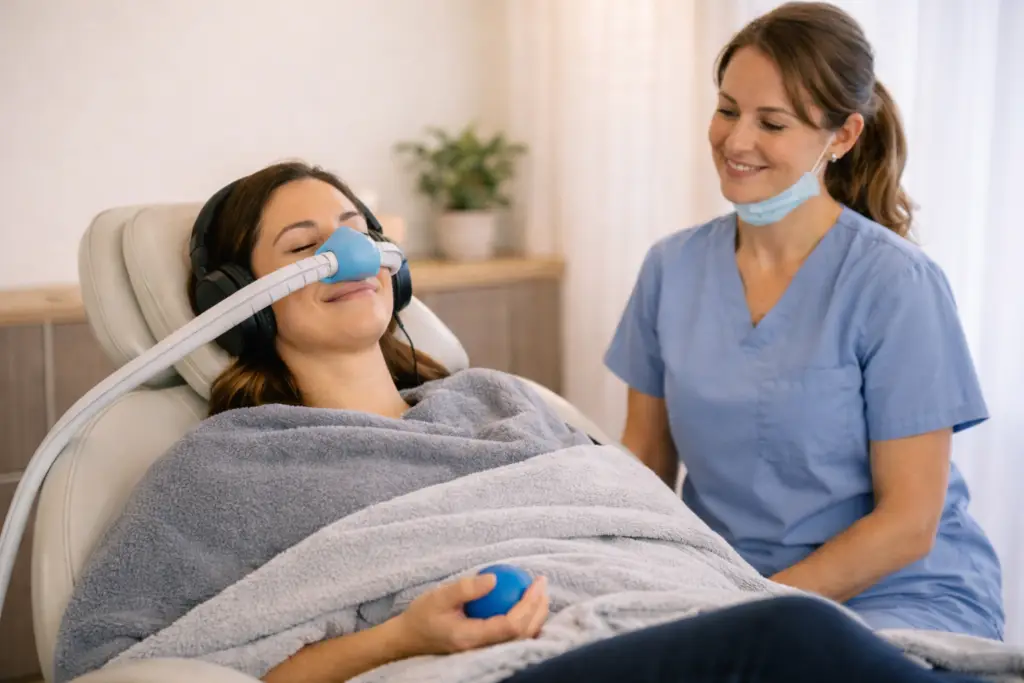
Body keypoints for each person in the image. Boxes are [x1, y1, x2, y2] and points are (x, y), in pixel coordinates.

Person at [54, 158, 997, 683]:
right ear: (245, 299)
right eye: (307, 245)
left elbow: (649, 529)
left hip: (648, 628)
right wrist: (400, 638)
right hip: (505, 671)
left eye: (357, 229)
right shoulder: (226, 465)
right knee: (799, 644)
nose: (348, 252)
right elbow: (109, 660)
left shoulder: (497, 401)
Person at [604, 1, 1004, 641]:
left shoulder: (894, 283)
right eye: (728, 109)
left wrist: (756, 606)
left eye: (773, 122)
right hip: (725, 587)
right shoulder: (670, 268)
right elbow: (646, 459)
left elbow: (908, 522)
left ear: (842, 136)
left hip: (898, 595)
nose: (736, 141)